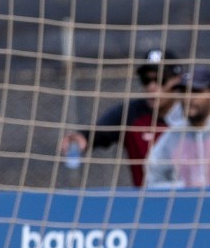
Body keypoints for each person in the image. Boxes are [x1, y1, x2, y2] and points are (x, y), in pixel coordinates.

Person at [59, 48, 184, 187]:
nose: (152, 87)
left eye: (160, 80)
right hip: (147, 201)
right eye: (146, 80)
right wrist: (84, 137)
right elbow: (101, 131)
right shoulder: (132, 113)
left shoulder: (191, 114)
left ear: (177, 80)